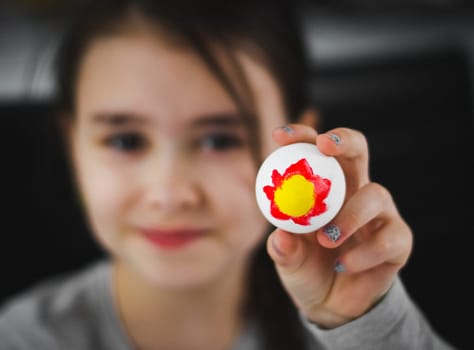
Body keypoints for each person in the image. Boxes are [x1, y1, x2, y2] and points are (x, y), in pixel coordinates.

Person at [0, 0, 457, 349]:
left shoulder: (355, 323)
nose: (171, 194)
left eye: (221, 139)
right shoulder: (25, 338)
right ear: (71, 145)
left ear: (298, 146)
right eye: (126, 141)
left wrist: (368, 324)